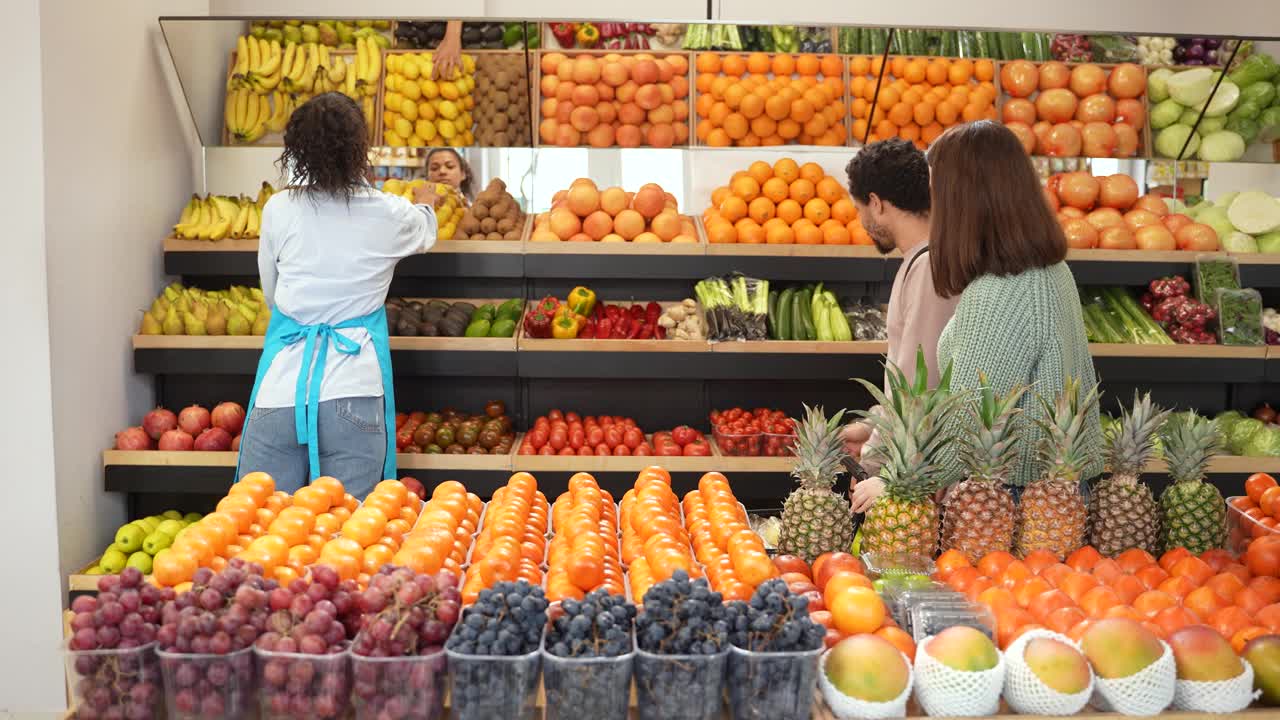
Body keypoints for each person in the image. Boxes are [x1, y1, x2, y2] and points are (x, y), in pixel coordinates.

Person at [236, 93, 443, 498]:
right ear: (359, 149)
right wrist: (426, 203)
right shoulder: (388, 211)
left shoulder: (278, 209)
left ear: (295, 149)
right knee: (351, 536)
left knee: (265, 531)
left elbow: (272, 295)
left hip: (281, 390)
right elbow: (425, 231)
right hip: (355, 389)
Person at [925, 120, 1103, 490]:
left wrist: (898, 481)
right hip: (1059, 494)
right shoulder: (1052, 271)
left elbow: (969, 423)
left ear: (962, 202)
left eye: (936, 193)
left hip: (1014, 503)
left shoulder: (998, 292)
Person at [841, 139, 960, 513]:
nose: (863, 222)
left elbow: (921, 387)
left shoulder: (929, 267)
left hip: (918, 481)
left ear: (876, 203)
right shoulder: (926, 259)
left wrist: (879, 466)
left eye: (861, 210)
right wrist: (871, 424)